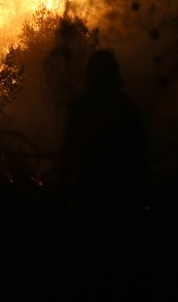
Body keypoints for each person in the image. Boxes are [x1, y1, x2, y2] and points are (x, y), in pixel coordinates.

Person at [60, 49, 146, 223]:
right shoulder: (126, 106)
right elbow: (140, 154)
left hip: (93, 194)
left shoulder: (81, 107)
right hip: (120, 196)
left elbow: (68, 154)